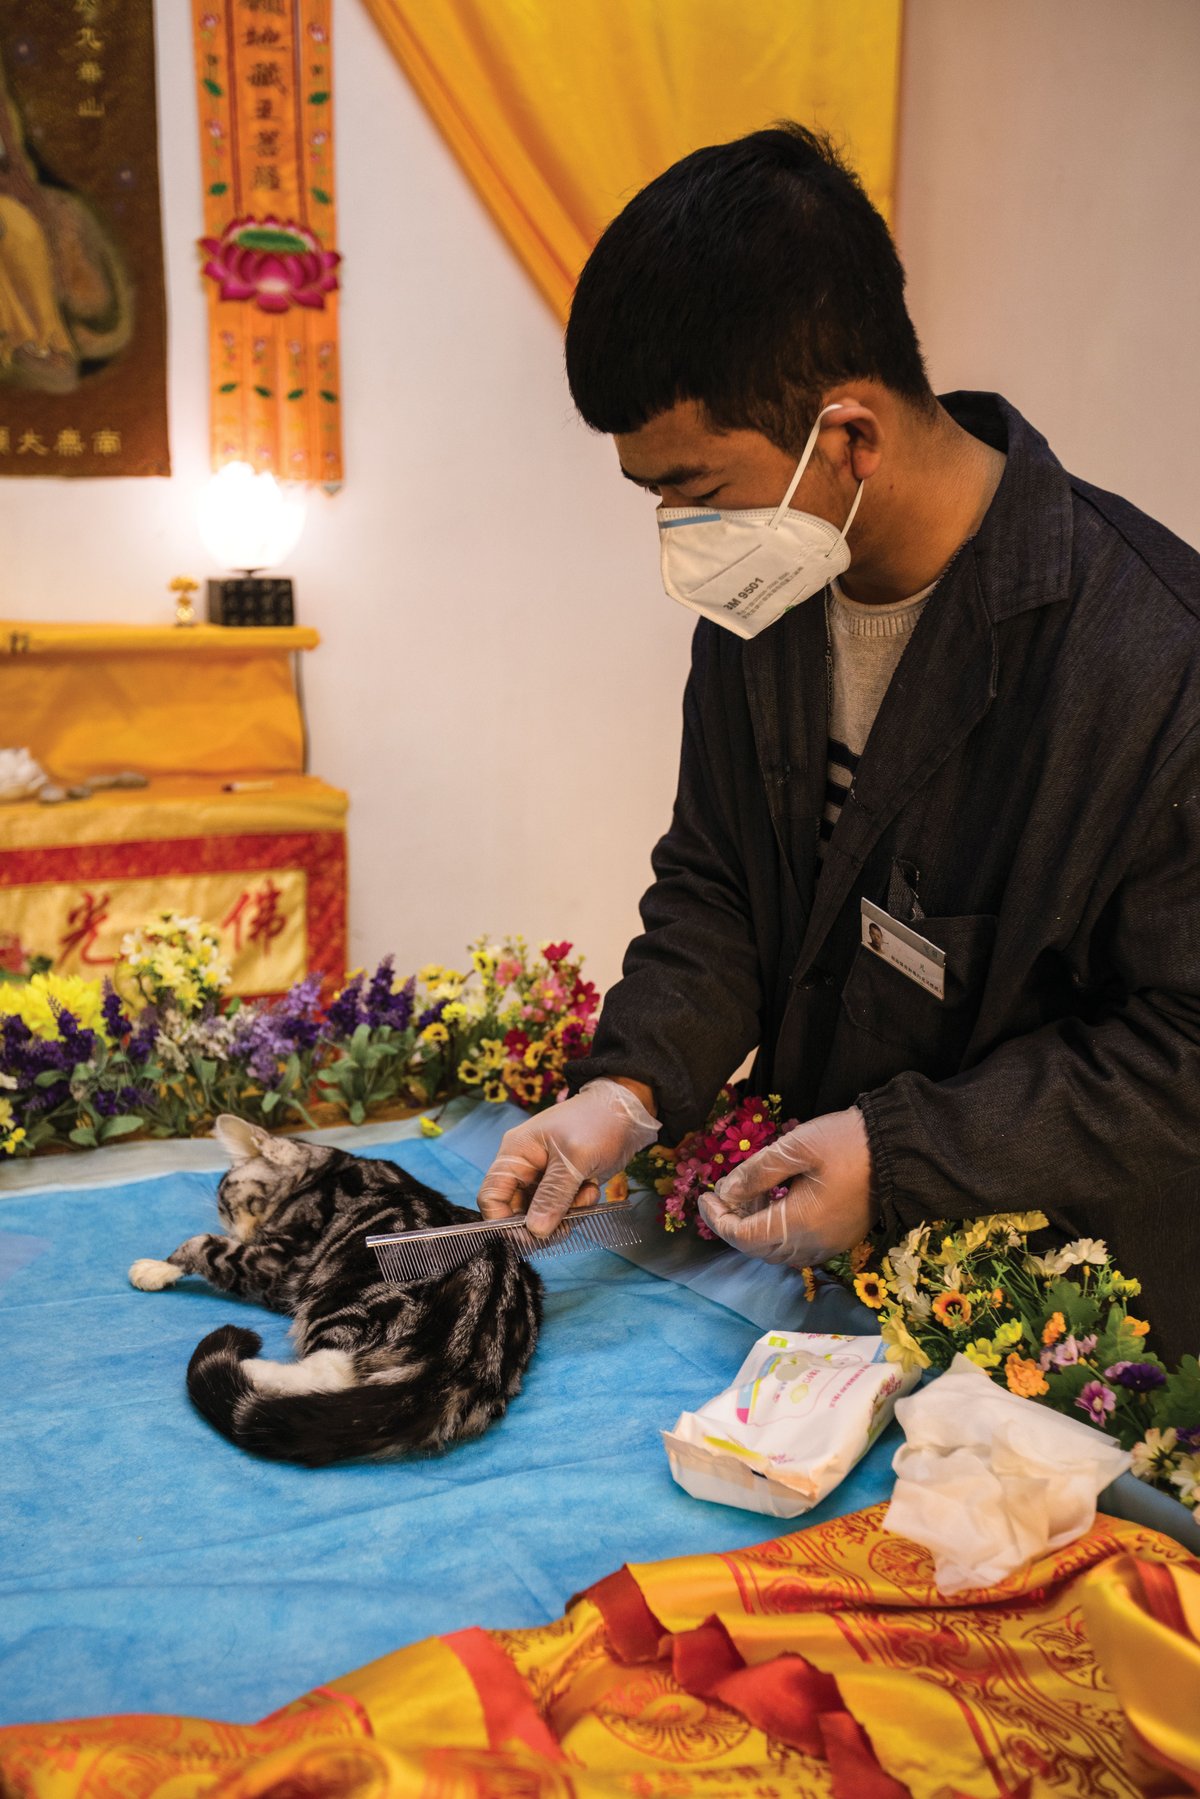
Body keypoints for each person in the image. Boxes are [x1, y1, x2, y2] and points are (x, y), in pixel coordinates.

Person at [477, 123, 1200, 1364]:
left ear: (848, 439)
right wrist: (628, 1089)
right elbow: (719, 885)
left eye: (697, 491)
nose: (680, 533)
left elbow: (1184, 1048)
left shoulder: (1150, 658)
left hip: (1059, 1335)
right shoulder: (771, 596)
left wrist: (907, 1150)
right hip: (834, 1286)